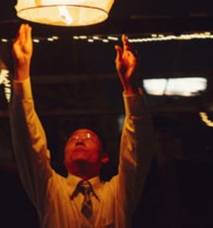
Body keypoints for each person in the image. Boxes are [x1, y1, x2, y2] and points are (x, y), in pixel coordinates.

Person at [9, 23, 154, 227]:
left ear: (105, 157)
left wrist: (130, 87)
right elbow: (28, 142)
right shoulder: (50, 189)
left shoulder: (118, 193)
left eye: (89, 138)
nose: (80, 139)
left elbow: (137, 151)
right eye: (74, 138)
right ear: (63, 156)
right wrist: (21, 71)